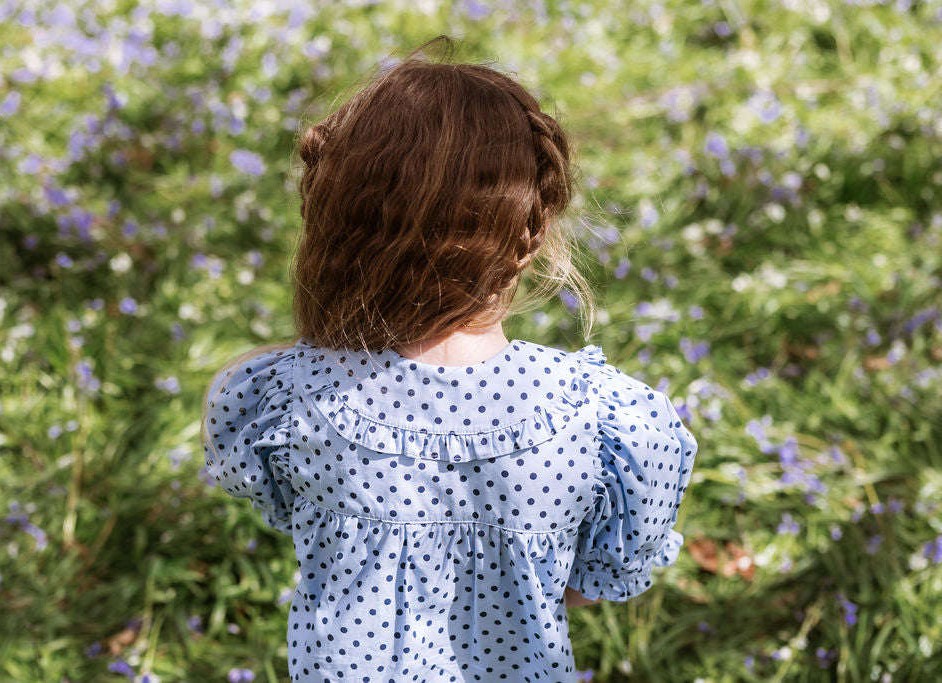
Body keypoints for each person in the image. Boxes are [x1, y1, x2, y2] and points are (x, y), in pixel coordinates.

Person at [201, 35, 698, 683]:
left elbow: (291, 512)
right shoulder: (601, 419)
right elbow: (592, 581)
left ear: (335, 224)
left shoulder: (281, 397)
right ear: (534, 233)